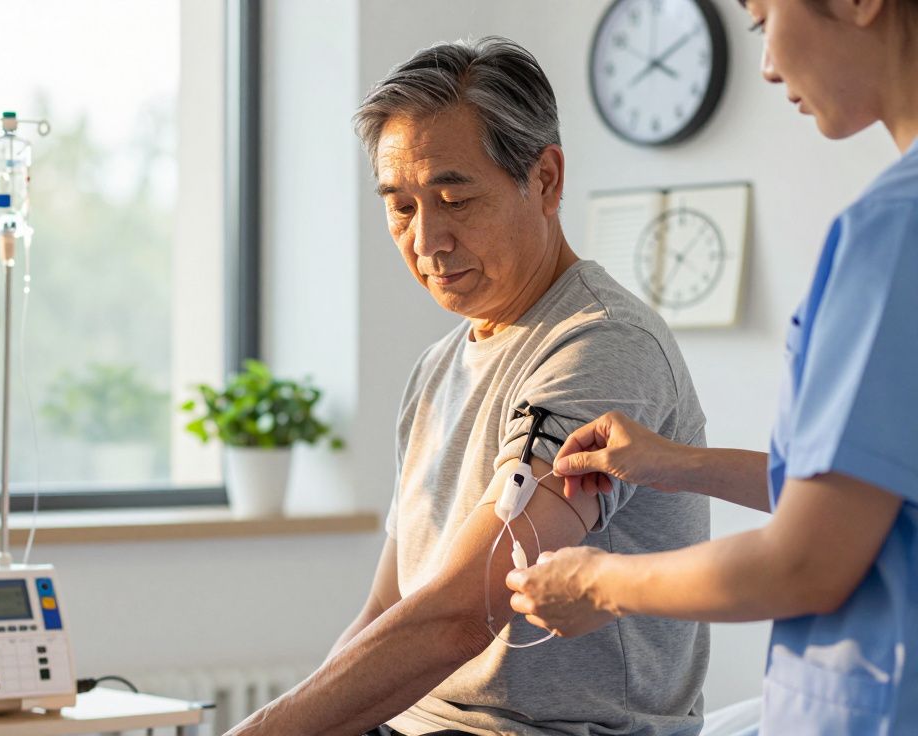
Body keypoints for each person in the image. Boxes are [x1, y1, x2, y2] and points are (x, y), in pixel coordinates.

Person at [227, 38, 712, 736]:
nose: (427, 240)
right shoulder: (438, 367)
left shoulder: (603, 347)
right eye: (400, 207)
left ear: (546, 179)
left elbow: (464, 611)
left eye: (455, 199)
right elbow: (387, 612)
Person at [506, 1, 918, 733]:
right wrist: (679, 464)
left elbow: (806, 562)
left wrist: (600, 583)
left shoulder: (894, 232)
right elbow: (873, 492)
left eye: (762, 22)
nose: (765, 64)